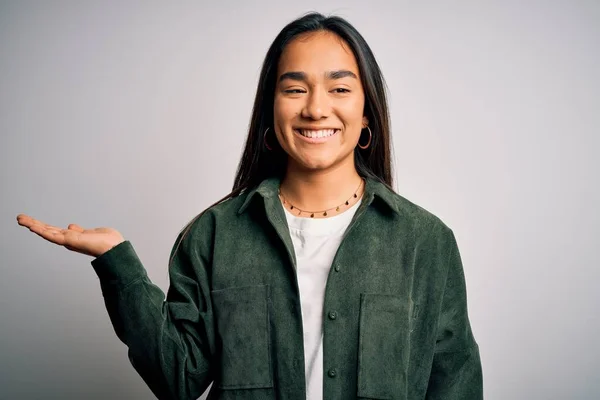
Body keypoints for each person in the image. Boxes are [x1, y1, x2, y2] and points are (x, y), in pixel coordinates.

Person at [16, 12, 483, 400]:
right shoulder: (215, 234)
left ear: (366, 115)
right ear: (270, 109)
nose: (316, 108)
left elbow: (455, 385)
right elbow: (177, 379)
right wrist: (116, 260)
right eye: (295, 88)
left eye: (339, 89)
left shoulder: (426, 242)